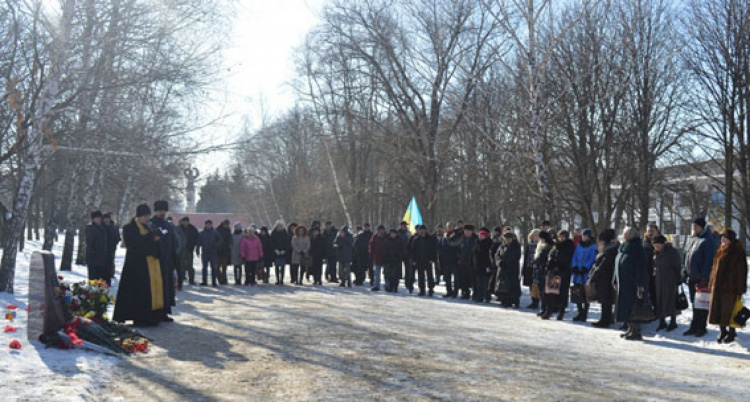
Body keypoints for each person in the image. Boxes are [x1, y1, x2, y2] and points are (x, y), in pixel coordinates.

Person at [113, 204, 165, 327]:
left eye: (148, 216)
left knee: (148, 292)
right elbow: (132, 244)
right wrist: (150, 237)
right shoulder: (129, 228)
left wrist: (157, 239)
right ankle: (138, 317)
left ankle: (150, 316)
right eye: (145, 216)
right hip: (135, 266)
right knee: (137, 293)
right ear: (139, 216)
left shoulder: (150, 227)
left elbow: (155, 243)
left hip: (150, 265)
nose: (147, 219)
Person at [708, 229, 748, 344]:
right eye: (721, 237)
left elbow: (742, 271)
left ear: (730, 238)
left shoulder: (737, 251)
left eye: (724, 237)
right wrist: (711, 283)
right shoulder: (721, 249)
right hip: (718, 287)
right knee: (719, 310)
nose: (722, 239)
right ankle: (723, 331)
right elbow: (714, 269)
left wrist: (740, 288)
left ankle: (731, 332)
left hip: (730, 287)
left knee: (729, 311)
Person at [683, 217, 718, 337]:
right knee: (694, 303)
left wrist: (705, 277)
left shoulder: (708, 240)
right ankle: (694, 325)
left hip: (701, 279)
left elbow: (709, 260)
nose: (693, 228)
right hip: (692, 277)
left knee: (702, 304)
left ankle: (701, 327)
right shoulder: (695, 238)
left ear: (702, 227)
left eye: (696, 226)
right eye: (693, 226)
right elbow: (688, 256)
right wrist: (685, 271)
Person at [615, 227, 649, 341]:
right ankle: (630, 328)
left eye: (626, 234)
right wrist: (614, 279)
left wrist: (640, 284)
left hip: (633, 283)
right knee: (625, 306)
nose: (623, 236)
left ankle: (636, 330)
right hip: (623, 282)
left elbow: (641, 268)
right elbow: (617, 264)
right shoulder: (623, 247)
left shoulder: (637, 248)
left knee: (633, 307)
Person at [150, 201, 176, 321]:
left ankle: (165, 310)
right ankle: (156, 311)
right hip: (156, 259)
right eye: (160, 211)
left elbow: (173, 241)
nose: (162, 213)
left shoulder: (168, 225)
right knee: (157, 286)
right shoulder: (151, 223)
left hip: (167, 259)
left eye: (164, 211)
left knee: (166, 286)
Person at [588, 229, 618, 328]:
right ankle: (606, 318)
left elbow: (603, 265)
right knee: (605, 300)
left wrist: (593, 275)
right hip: (605, 278)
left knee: (606, 300)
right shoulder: (610, 249)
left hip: (606, 278)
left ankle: (605, 320)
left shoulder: (610, 250)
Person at [541, 230, 575, 320]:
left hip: (563, 272)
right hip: (553, 271)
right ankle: (549, 310)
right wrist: (550, 265)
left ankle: (561, 311)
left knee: (562, 293)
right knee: (550, 292)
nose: (561, 238)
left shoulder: (569, 246)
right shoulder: (555, 246)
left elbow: (567, 259)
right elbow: (551, 256)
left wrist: (560, 266)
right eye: (560, 236)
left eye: (563, 237)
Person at [651, 234, 681, 332]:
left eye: (658, 245)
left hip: (670, 280)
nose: (656, 247)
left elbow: (677, 266)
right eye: (655, 246)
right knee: (659, 300)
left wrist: (678, 279)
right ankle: (662, 321)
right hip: (659, 280)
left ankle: (673, 321)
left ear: (663, 244)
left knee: (671, 300)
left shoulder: (672, 252)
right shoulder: (656, 253)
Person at [571, 229, 597, 322]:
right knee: (577, 292)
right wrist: (574, 266)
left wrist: (586, 267)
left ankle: (585, 313)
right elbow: (574, 256)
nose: (584, 237)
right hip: (577, 272)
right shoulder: (578, 246)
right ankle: (580, 312)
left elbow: (592, 258)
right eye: (582, 236)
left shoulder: (593, 247)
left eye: (585, 236)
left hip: (586, 273)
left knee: (586, 294)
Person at [495, 232, 522, 307]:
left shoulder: (516, 246)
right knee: (503, 285)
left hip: (512, 269)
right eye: (506, 238)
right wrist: (499, 262)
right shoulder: (502, 246)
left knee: (513, 285)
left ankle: (515, 301)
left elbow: (516, 256)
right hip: (503, 268)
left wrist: (507, 262)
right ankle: (505, 300)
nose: (507, 240)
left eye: (509, 238)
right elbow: (497, 255)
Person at [410, 225, 438, 296]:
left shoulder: (430, 239)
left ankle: (431, 289)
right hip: (419, 261)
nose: (422, 232)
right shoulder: (416, 240)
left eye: (423, 230)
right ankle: (422, 290)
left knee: (430, 276)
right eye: (421, 230)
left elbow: (433, 250)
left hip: (428, 260)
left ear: (426, 230)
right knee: (420, 276)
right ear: (418, 231)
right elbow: (412, 251)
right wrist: (413, 260)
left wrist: (432, 259)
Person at [533, 231, 554, 316]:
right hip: (540, 271)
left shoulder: (549, 247)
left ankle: (548, 309)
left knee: (547, 292)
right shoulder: (540, 246)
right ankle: (543, 308)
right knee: (541, 291)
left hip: (546, 272)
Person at [85, 210, 108, 283]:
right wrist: (92, 253)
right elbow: (90, 243)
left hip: (101, 258)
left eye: (100, 218)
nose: (99, 220)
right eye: (97, 218)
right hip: (93, 258)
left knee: (100, 280)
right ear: (93, 219)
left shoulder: (102, 228)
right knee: (93, 280)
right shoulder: (91, 228)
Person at [197, 219, 221, 287]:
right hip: (205, 252)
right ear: (205, 225)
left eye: (209, 224)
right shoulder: (202, 233)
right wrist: (197, 250)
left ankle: (214, 281)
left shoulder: (215, 232)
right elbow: (198, 242)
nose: (208, 226)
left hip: (213, 252)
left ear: (211, 225)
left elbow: (220, 240)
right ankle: (204, 281)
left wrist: (216, 245)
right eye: (207, 224)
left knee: (213, 267)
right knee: (204, 267)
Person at [438, 223, 459, 298]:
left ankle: (455, 292)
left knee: (456, 278)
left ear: (453, 227)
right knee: (447, 277)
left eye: (451, 226)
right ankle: (449, 291)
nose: (449, 228)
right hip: (446, 260)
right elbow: (440, 246)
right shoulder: (444, 236)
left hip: (454, 259)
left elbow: (457, 246)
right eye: (448, 226)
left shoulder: (457, 235)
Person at [457, 224, 477, 300]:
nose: (467, 232)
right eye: (465, 231)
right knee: (463, 278)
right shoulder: (461, 239)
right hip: (462, 262)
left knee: (473, 279)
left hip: (472, 262)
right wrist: (458, 257)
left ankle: (475, 293)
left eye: (468, 231)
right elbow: (457, 249)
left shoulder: (475, 239)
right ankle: (465, 292)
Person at [178, 217, 199, 286]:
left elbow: (197, 238)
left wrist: (193, 245)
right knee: (180, 265)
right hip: (181, 249)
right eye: (184, 221)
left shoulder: (193, 229)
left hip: (189, 249)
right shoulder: (178, 229)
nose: (185, 223)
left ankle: (191, 280)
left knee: (190, 265)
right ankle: (180, 280)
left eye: (187, 221)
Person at [523, 230, 541, 308]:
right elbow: (526, 257)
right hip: (529, 267)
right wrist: (524, 268)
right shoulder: (529, 245)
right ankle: (533, 300)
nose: (536, 237)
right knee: (531, 285)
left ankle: (537, 301)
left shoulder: (541, 245)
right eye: (535, 235)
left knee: (537, 285)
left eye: (538, 235)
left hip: (537, 268)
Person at [102, 212, 120, 286]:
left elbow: (118, 237)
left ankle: (108, 281)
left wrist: (113, 244)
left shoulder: (114, 227)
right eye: (105, 219)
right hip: (102, 250)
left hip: (111, 249)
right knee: (103, 266)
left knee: (109, 265)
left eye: (108, 219)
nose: (106, 220)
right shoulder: (101, 227)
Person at [271, 221, 289, 285]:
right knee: (277, 266)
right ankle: (277, 279)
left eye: (281, 226)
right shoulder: (274, 233)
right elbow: (272, 242)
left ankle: (282, 280)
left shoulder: (285, 233)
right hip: (276, 251)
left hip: (283, 251)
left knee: (283, 266)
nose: (279, 227)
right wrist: (275, 250)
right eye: (278, 226)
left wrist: (284, 250)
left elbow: (287, 242)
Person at [369, 225, 387, 291]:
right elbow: (371, 246)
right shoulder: (374, 237)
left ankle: (387, 285)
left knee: (386, 273)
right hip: (377, 257)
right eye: (379, 230)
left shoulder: (387, 237)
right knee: (376, 273)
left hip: (385, 257)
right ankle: (376, 285)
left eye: (382, 230)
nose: (380, 231)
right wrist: (371, 254)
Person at [216, 219, 233, 285]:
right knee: (217, 266)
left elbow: (230, 239)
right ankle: (219, 278)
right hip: (218, 251)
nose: (226, 226)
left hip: (226, 251)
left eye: (227, 224)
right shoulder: (217, 230)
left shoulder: (228, 230)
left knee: (224, 267)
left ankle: (224, 279)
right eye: (226, 224)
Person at [398, 221, 413, 293]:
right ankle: (397, 282)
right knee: (398, 269)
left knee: (408, 270)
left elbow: (411, 242)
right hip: (399, 253)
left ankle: (407, 283)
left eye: (405, 225)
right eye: (403, 225)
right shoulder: (397, 233)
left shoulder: (408, 233)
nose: (404, 226)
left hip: (407, 253)